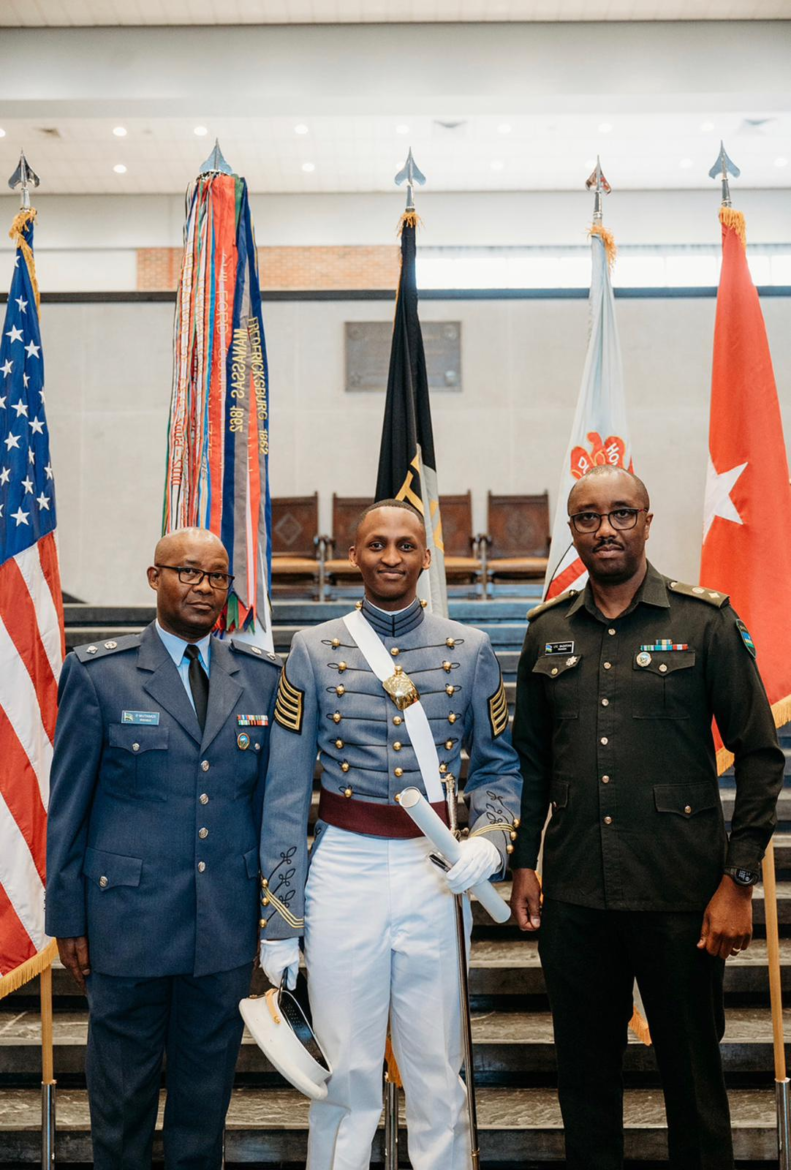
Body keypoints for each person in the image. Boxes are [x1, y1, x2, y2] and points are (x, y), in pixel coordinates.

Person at [509, 465, 785, 1170]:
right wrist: (524, 863)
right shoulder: (547, 631)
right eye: (588, 517)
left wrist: (738, 880)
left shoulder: (703, 622)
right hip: (576, 895)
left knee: (693, 1085)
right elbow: (532, 764)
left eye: (621, 514)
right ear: (572, 530)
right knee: (584, 1085)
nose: (605, 529)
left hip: (682, 897)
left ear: (647, 522)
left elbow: (759, 756)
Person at [258, 499, 522, 1170]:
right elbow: (285, 793)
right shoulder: (313, 650)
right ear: (354, 555)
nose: (391, 557)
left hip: (435, 871)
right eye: (377, 544)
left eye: (406, 545)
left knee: (436, 1066)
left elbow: (498, 767)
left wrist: (489, 841)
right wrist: (280, 920)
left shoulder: (470, 649)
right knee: (344, 1071)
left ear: (427, 557)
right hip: (343, 867)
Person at [45, 527, 281, 1170]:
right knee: (121, 1109)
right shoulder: (100, 674)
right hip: (127, 923)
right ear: (155, 578)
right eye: (188, 572)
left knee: (204, 1111)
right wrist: (67, 917)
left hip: (223, 924)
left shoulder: (261, 678)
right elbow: (68, 806)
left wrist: (275, 914)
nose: (204, 587)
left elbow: (272, 808)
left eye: (217, 577)